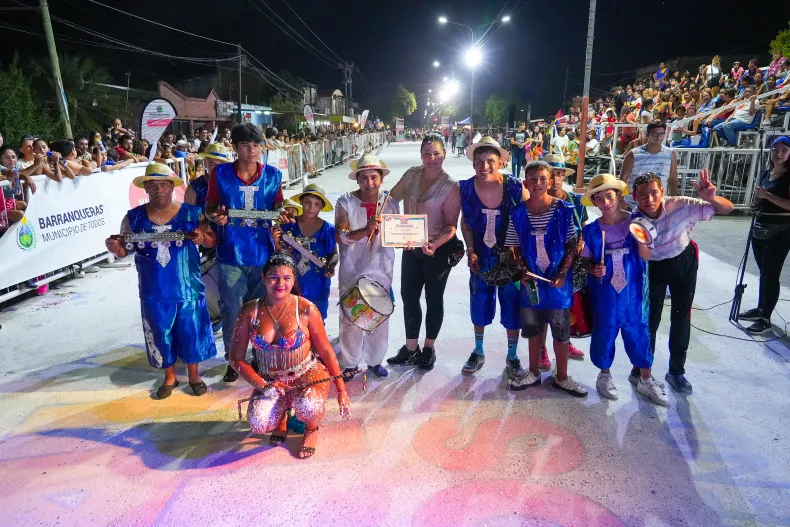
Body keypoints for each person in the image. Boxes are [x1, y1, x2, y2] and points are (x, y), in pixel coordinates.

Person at [104, 163, 217, 399]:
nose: (159, 190)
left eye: (164, 185)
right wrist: (115, 248)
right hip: (154, 289)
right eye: (153, 186)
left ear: (172, 187)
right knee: (160, 331)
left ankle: (194, 376)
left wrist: (200, 237)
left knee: (191, 330)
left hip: (187, 286)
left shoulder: (192, 213)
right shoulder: (133, 218)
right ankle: (170, 377)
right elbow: (124, 250)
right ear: (146, 188)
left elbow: (210, 241)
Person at [229, 253, 350, 459]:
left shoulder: (306, 309)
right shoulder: (250, 311)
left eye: (286, 278)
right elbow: (236, 358)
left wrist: (341, 390)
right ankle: (282, 419)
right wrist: (263, 385)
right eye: (273, 277)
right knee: (259, 423)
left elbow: (326, 352)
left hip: (306, 374)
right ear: (263, 277)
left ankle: (311, 429)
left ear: (294, 280)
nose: (280, 284)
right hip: (271, 380)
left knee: (309, 407)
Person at [632, 169, 734, 394]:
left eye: (654, 193)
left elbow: (728, 208)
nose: (649, 199)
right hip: (653, 267)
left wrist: (711, 198)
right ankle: (641, 367)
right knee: (649, 319)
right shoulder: (634, 220)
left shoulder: (681, 205)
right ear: (634, 196)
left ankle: (676, 371)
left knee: (681, 316)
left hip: (683, 260)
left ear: (662, 192)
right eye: (642, 194)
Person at [205, 123, 290, 384]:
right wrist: (216, 216)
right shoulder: (220, 174)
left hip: (263, 254)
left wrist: (285, 216)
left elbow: (279, 208)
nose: (251, 150)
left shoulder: (273, 175)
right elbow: (209, 207)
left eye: (256, 145)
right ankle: (235, 361)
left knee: (263, 309)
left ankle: (261, 358)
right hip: (231, 252)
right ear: (235, 147)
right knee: (232, 310)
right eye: (245, 145)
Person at [579, 174, 668, 406]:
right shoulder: (591, 230)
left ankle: (645, 378)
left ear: (618, 195)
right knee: (605, 331)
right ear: (594, 202)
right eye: (599, 199)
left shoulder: (637, 222)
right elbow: (585, 260)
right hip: (605, 296)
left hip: (634, 293)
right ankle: (604, 375)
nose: (605, 203)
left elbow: (646, 256)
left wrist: (641, 240)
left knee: (639, 330)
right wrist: (592, 268)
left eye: (609, 196)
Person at [506, 161, 587, 396]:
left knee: (561, 328)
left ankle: (562, 377)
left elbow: (571, 245)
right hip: (531, 282)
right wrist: (523, 271)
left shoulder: (563, 210)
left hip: (558, 282)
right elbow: (514, 248)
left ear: (550, 181)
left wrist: (562, 272)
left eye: (543, 179)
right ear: (525, 183)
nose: (538, 183)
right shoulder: (517, 213)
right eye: (532, 179)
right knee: (532, 328)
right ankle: (533, 372)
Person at [386, 134, 461, 369]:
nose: (432, 158)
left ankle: (429, 347)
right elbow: (391, 198)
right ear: (421, 155)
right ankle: (411, 348)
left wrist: (435, 243)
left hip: (437, 250)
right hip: (411, 247)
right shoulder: (411, 175)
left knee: (433, 298)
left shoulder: (450, 186)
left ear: (444, 155)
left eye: (436, 153)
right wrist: (393, 228)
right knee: (409, 296)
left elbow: (451, 226)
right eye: (427, 154)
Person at [458, 137, 529, 383]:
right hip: (481, 257)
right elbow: (466, 222)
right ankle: (478, 350)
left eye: (490, 161)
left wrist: (520, 253)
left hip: (510, 259)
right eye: (479, 161)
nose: (485, 166)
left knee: (512, 305)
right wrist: (470, 249)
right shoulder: (466, 188)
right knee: (479, 302)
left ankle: (512, 355)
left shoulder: (515, 187)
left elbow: (529, 218)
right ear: (473, 164)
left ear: (500, 163)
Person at [334, 154, 399, 377]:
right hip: (352, 268)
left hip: (382, 268)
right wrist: (364, 230)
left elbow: (397, 234)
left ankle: (374, 360)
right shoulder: (345, 201)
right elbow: (340, 236)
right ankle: (350, 362)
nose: (369, 183)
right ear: (357, 179)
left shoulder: (390, 203)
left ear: (381, 178)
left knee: (379, 315)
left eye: (374, 177)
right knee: (350, 317)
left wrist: (409, 241)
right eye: (364, 178)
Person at [738, 136, 790, 334]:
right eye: (775, 150)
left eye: (784, 150)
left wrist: (767, 196)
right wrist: (758, 203)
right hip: (761, 227)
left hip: (781, 231)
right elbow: (763, 198)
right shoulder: (767, 172)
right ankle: (761, 309)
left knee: (771, 274)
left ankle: (765, 318)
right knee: (764, 272)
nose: (779, 154)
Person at [542, 154, 586, 362]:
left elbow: (583, 227)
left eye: (559, 173)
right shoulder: (538, 200)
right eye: (551, 173)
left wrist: (580, 244)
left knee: (566, 307)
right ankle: (541, 349)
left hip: (570, 263)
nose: (555, 178)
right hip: (544, 262)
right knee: (543, 307)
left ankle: (565, 342)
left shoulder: (576, 201)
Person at [274, 184, 338, 320]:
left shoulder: (328, 229)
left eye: (316, 204)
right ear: (301, 202)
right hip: (292, 283)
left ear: (322, 207)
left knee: (316, 320)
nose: (311, 207)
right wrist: (276, 243)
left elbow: (334, 253)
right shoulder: (288, 225)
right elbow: (277, 251)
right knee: (290, 320)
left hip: (318, 283)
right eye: (308, 202)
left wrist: (331, 266)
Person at [619, 121, 678, 208]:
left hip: (659, 205)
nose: (658, 136)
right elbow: (623, 179)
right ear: (647, 134)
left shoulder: (670, 154)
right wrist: (621, 201)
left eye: (661, 133)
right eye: (655, 134)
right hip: (634, 205)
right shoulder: (633, 154)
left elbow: (672, 179)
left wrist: (674, 202)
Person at [186, 142, 231, 210]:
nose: (216, 168)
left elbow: (244, 212)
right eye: (212, 163)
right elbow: (188, 213)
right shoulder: (195, 186)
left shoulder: (234, 183)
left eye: (221, 164)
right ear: (205, 162)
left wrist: (228, 213)